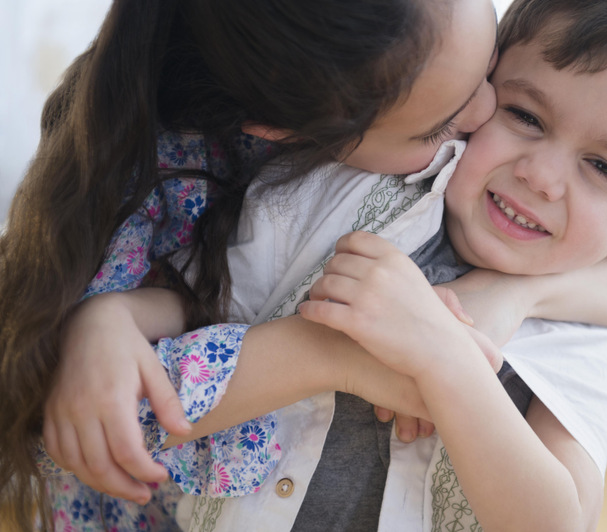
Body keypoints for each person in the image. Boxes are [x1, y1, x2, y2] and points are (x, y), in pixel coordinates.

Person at [42, 0, 607, 531]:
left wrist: (448, 363)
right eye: (525, 116)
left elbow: (557, 522)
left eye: (602, 167)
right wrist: (110, 317)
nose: (541, 176)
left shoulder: (577, 329)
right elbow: (196, 316)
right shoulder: (323, 195)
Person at [0, 0, 502, 530]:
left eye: (492, 63)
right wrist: (331, 355)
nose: (490, 112)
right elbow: (51, 427)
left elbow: (599, 260)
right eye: (439, 127)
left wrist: (512, 295)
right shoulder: (147, 177)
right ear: (285, 132)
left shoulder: (411, 93)